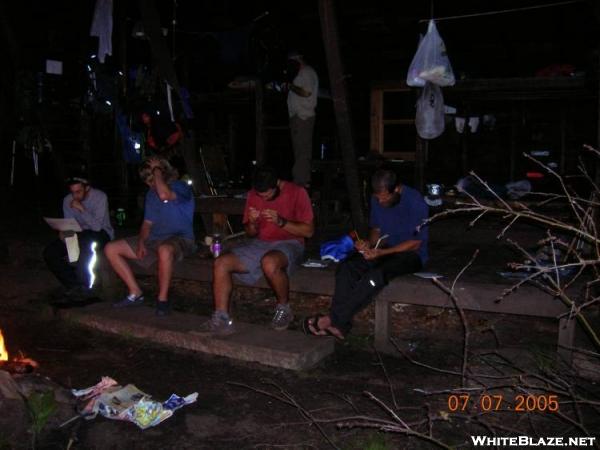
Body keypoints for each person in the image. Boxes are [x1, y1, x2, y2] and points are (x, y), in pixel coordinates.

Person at [302, 170, 428, 340]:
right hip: (385, 249)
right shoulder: (377, 199)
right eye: (377, 198)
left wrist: (382, 252)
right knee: (347, 267)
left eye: (385, 197)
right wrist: (369, 245)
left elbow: (415, 243)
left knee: (374, 277)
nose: (381, 201)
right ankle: (341, 326)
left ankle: (333, 319)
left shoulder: (415, 201)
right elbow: (376, 229)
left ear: (397, 189)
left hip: (411, 255)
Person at [201, 166, 314, 334]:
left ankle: (284, 309)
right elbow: (250, 233)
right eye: (261, 196)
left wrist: (282, 222)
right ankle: (222, 318)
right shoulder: (254, 194)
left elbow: (309, 231)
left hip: (290, 243)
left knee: (269, 262)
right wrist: (252, 223)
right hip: (261, 244)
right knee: (221, 262)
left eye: (268, 195)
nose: (264, 198)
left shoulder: (297, 192)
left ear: (277, 184)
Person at [104, 157, 195, 316]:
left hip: (180, 239)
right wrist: (141, 242)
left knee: (164, 249)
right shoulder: (151, 195)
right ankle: (135, 293)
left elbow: (164, 195)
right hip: (155, 240)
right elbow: (147, 223)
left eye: (152, 178)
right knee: (111, 248)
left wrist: (157, 170)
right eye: (147, 180)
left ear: (162, 173)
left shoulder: (180, 187)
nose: (149, 183)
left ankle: (162, 300)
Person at [43, 176, 114, 297]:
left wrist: (82, 210)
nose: (74, 196)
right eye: (72, 192)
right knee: (50, 252)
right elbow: (70, 222)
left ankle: (85, 286)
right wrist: (63, 231)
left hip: (101, 232)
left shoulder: (100, 197)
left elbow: (97, 227)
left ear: (87, 188)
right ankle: (73, 285)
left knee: (86, 243)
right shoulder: (67, 200)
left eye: (78, 192)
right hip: (79, 232)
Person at [285, 51, 318, 188]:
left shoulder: (307, 72)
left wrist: (289, 86)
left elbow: (306, 92)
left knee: (302, 150)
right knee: (299, 150)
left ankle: (301, 182)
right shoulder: (301, 74)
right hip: (298, 117)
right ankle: (300, 181)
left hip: (303, 116)